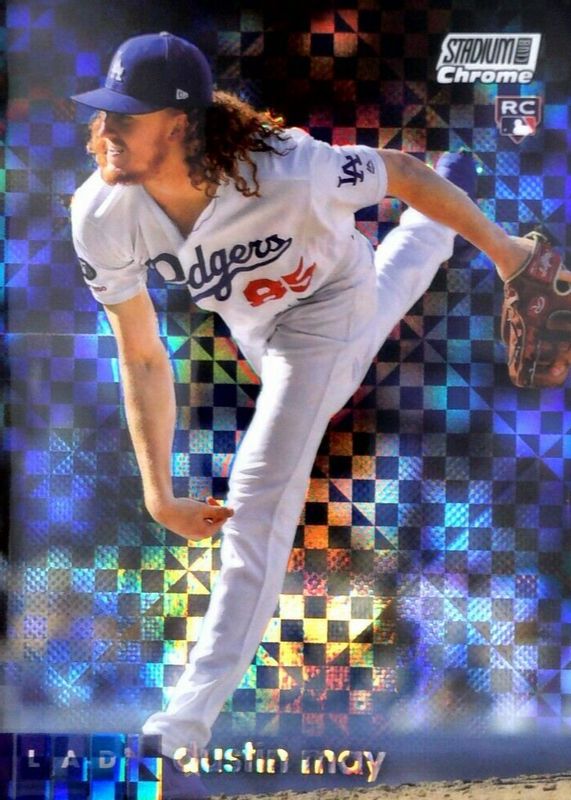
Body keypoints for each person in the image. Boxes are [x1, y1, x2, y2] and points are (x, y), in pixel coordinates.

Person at [71, 31, 535, 798]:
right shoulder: (101, 211)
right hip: (260, 329)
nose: (105, 127)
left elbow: (398, 172)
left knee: (258, 494)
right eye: (104, 110)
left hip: (327, 301)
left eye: (127, 113)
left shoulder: (284, 167)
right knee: (365, 330)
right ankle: (430, 234)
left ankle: (176, 731)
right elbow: (143, 355)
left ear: (179, 124)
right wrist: (157, 491)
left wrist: (507, 254)